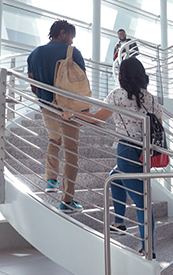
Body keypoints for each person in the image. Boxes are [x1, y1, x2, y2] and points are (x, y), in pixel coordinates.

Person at [62, 56, 158, 259]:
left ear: (122, 75)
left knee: (142, 201)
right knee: (114, 178)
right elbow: (157, 124)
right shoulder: (149, 97)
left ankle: (147, 248)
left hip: (126, 150)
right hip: (144, 152)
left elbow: (97, 119)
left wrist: (73, 113)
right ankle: (119, 222)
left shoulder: (118, 95)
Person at [27, 20, 85, 213]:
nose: (71, 41)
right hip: (68, 110)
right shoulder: (72, 52)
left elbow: (33, 86)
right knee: (71, 151)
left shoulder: (34, 54)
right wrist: (83, 112)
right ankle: (67, 200)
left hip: (46, 107)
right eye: (70, 36)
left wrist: (45, 99)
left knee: (54, 140)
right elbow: (81, 85)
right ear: (63, 33)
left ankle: (51, 180)